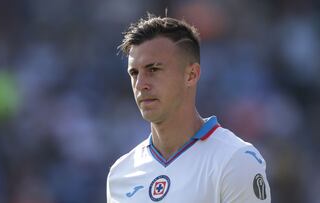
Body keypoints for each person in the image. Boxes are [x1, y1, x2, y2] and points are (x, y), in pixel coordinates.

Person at [107, 14, 271, 203]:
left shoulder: (235, 160)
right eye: (134, 73)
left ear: (191, 75)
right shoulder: (120, 174)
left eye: (153, 69)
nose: (140, 84)